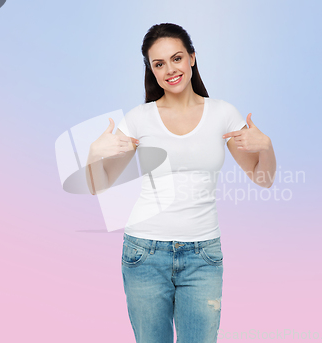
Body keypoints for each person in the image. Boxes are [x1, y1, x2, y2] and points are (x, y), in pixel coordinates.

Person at [86, 23, 276, 343]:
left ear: (192, 58)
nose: (170, 70)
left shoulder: (223, 114)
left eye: (176, 58)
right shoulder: (139, 118)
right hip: (144, 253)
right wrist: (94, 154)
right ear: (152, 70)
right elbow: (98, 185)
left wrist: (267, 146)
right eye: (159, 64)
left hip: (202, 257)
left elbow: (263, 178)